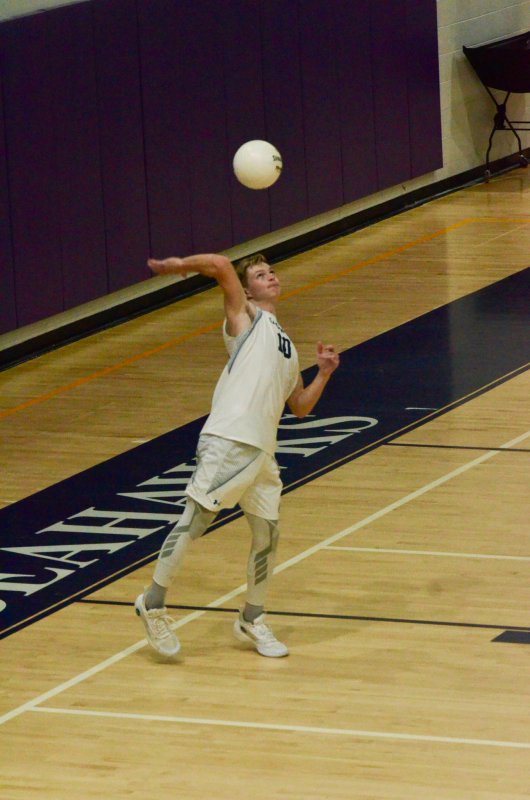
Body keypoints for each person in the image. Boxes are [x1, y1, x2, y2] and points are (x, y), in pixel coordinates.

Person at [135, 252, 339, 658]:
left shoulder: (286, 346)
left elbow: (298, 405)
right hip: (230, 438)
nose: (271, 277)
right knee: (195, 520)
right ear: (247, 291)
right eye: (261, 275)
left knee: (268, 535)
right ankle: (152, 602)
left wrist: (324, 372)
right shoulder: (244, 319)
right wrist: (177, 267)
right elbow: (221, 264)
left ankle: (252, 618)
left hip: (262, 450)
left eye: (272, 271)